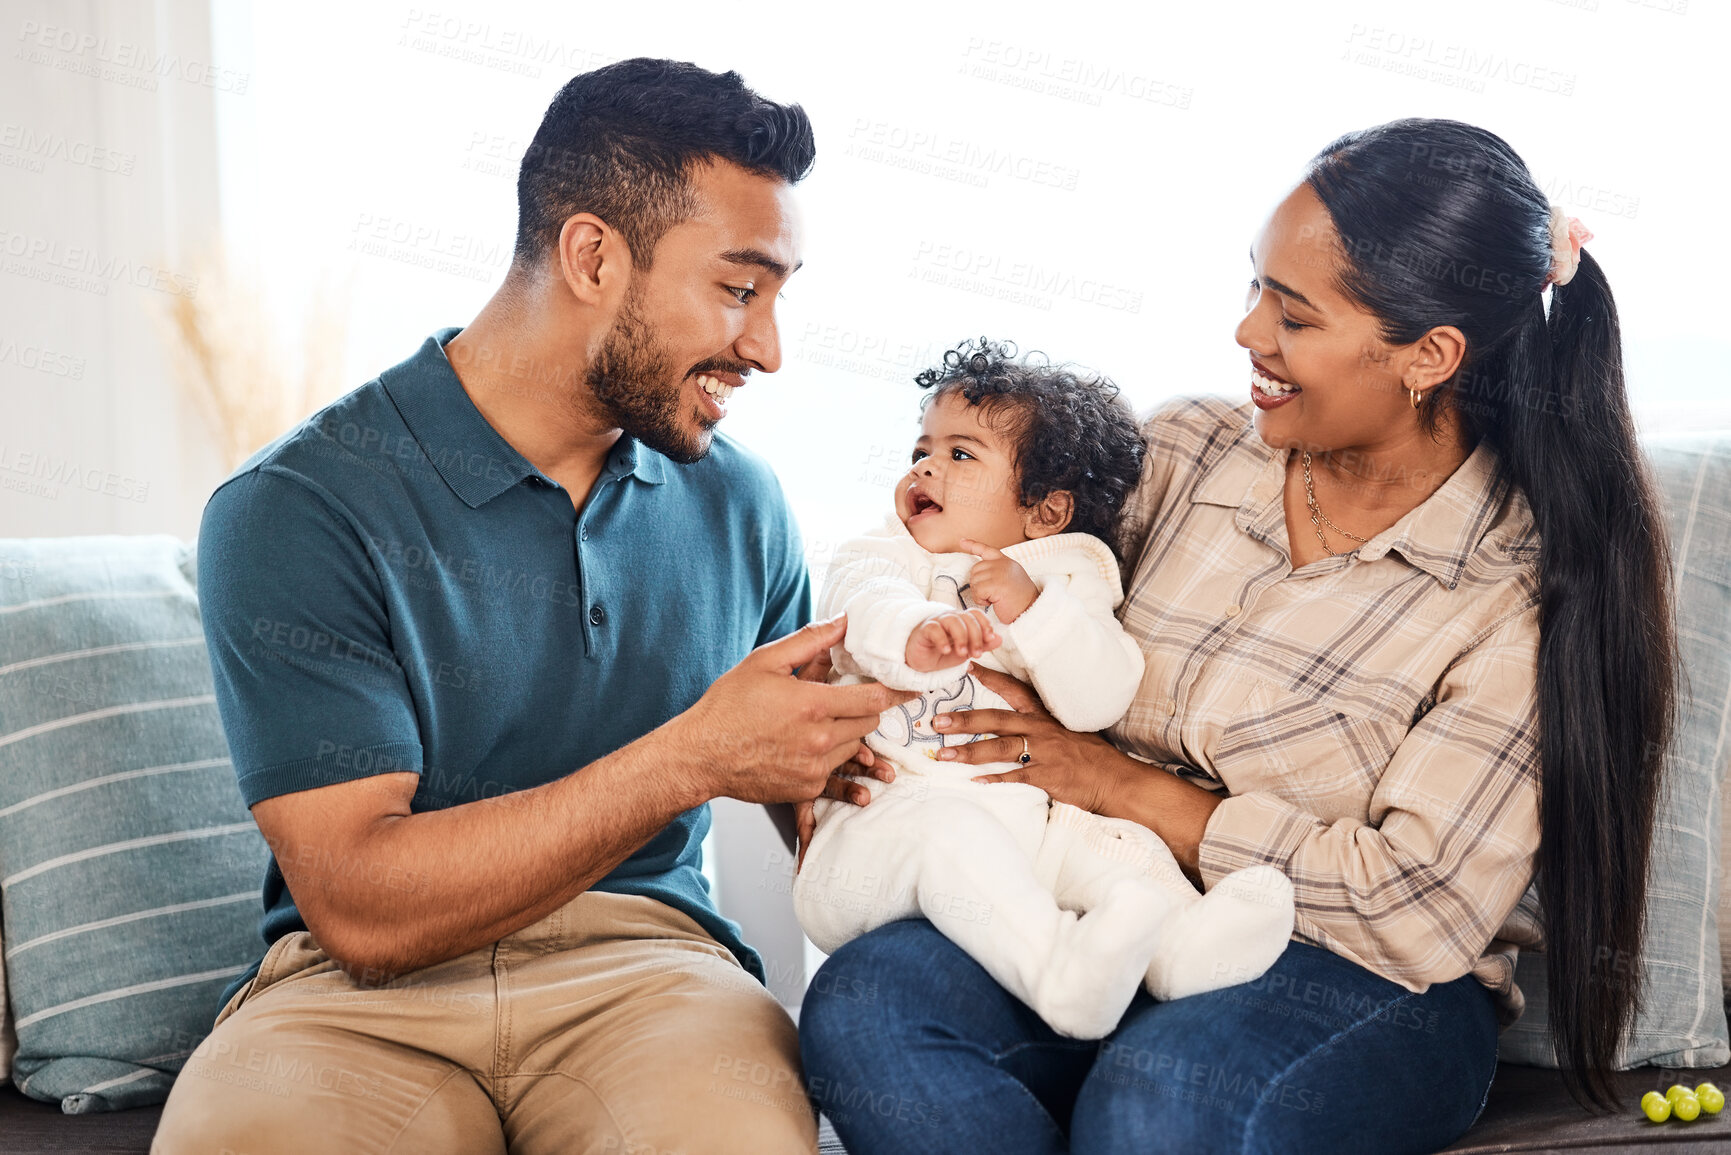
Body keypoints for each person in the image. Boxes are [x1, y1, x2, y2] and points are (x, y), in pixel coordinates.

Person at [800, 118, 1678, 1154]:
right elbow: (994, 566)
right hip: (1094, 886)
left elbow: (1415, 907)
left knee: (1155, 1101)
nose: (1248, 334)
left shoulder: (1517, 585)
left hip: (1358, 975)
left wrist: (1119, 784)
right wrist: (865, 719)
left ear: (1429, 357)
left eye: (1293, 315)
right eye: (1256, 287)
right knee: (870, 1007)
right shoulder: (1188, 452)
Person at [152, 59, 911, 1155]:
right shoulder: (301, 507)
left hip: (651, 973)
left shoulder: (739, 500)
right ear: (594, 256)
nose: (768, 350)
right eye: (740, 290)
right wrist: (689, 757)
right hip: (354, 1002)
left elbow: (831, 800)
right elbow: (363, 911)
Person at [794, 338, 1294, 1040]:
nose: (926, 466)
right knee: (950, 834)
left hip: (1028, 830)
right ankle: (1061, 978)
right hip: (881, 835)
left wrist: (1036, 610)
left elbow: (1098, 699)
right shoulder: (885, 554)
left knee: (1121, 848)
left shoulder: (1067, 577)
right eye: (920, 451)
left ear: (1046, 513)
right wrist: (917, 635)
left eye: (960, 454)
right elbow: (863, 606)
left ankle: (1180, 950)